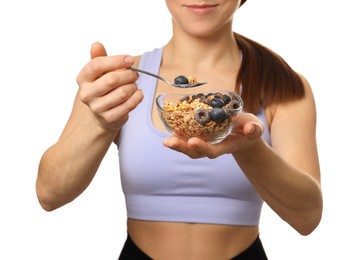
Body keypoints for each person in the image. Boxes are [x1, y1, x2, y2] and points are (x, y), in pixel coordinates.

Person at [36, 0, 323, 259]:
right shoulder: (119, 83)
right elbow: (50, 195)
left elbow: (308, 217)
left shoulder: (282, 86)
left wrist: (250, 147)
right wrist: (100, 124)